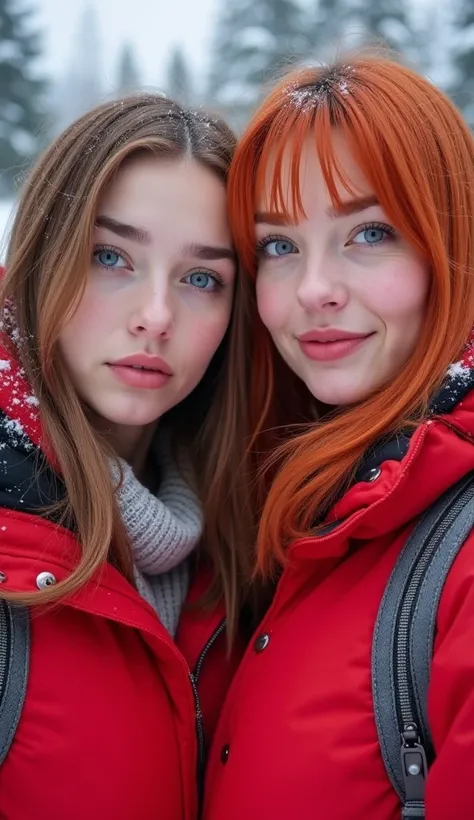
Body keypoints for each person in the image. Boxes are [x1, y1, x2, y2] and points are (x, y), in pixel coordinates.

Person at [202, 55, 474, 819]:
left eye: (371, 232)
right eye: (280, 246)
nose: (315, 288)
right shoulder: (261, 497)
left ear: (450, 245)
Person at [0, 93, 252, 820]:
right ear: (45, 258)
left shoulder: (256, 543)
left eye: (202, 277)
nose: (157, 315)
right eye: (111, 257)